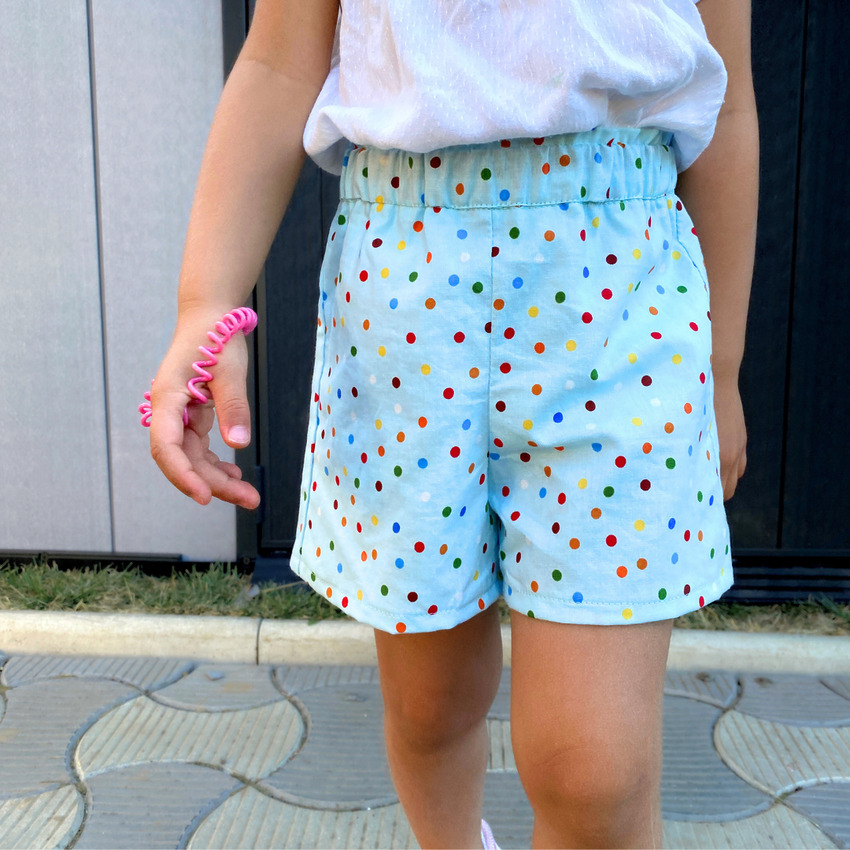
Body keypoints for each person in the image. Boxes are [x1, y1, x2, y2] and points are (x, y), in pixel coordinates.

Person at [148, 0, 757, 846]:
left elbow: (727, 97)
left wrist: (721, 370)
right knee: (430, 707)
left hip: (621, 296)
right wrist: (205, 306)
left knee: (595, 774)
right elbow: (278, 64)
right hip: (407, 311)